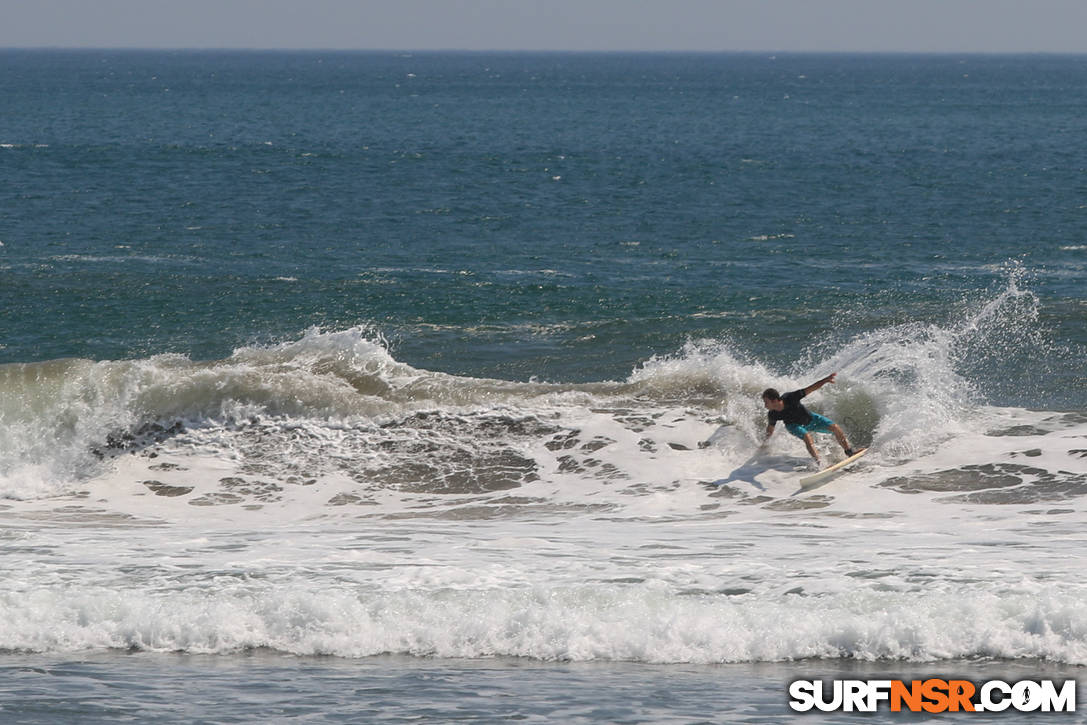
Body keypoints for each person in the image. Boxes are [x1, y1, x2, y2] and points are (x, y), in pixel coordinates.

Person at [761, 372, 855, 466]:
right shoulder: (773, 414)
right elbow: (770, 430)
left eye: (766, 402)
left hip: (811, 419)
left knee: (835, 428)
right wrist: (765, 444)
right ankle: (819, 463)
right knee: (807, 437)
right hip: (793, 426)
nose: (765, 405)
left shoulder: (790, 397)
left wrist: (825, 380)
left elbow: (811, 388)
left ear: (774, 400)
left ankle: (849, 452)